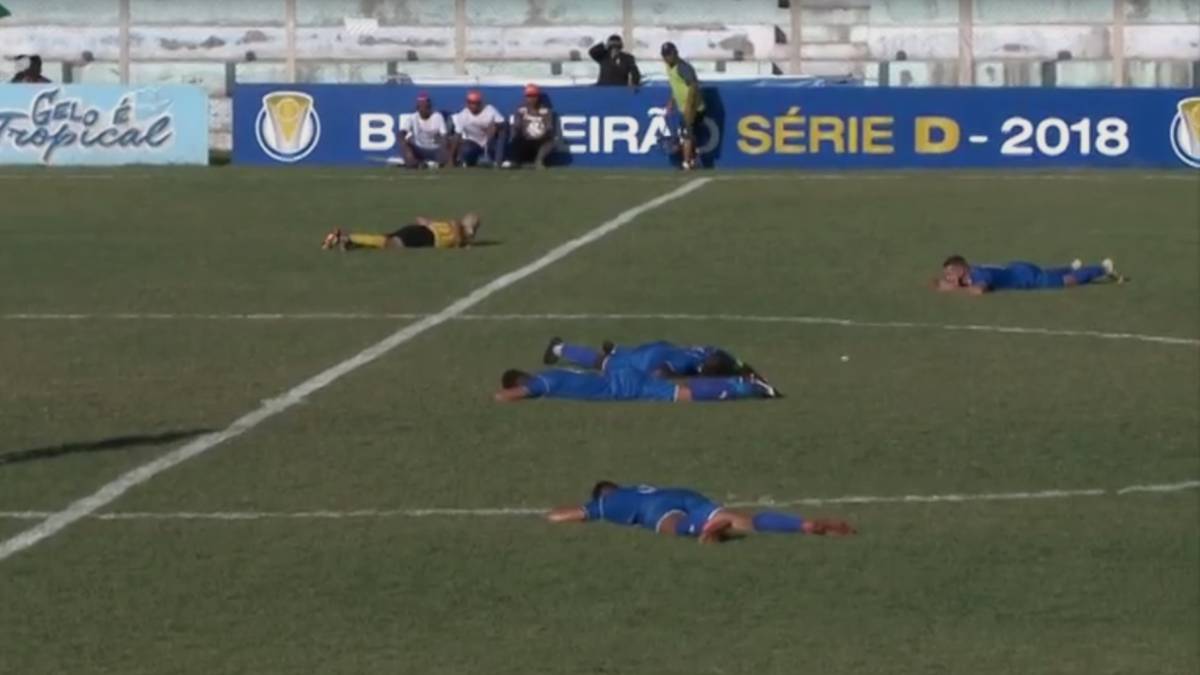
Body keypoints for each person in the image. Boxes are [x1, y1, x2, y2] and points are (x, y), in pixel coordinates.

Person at [547, 481, 856, 543]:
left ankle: (703, 530)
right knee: (744, 520)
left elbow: (561, 516)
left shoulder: (610, 501)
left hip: (657, 508)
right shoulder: (639, 486)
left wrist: (552, 515)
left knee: (673, 525)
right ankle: (800, 525)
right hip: (682, 493)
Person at [493, 367, 780, 403]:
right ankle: (740, 383)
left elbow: (502, 398)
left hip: (623, 387)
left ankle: (749, 386)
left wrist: (501, 394)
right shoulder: (551, 375)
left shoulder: (543, 382)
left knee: (683, 395)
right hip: (621, 376)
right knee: (681, 386)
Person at [542, 337, 753, 378]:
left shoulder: (708, 351)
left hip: (661, 347)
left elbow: (732, 362)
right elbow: (662, 371)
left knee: (631, 355)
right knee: (604, 365)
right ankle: (559, 348)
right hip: (653, 359)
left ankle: (617, 349)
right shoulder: (691, 363)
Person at [934, 255, 1127, 294]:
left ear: (961, 269)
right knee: (1047, 273)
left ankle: (1103, 269)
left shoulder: (979, 275)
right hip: (1018, 268)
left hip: (1026, 278)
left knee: (1066, 282)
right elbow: (933, 283)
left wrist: (953, 289)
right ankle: (1070, 265)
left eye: (950, 273)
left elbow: (979, 291)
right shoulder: (971, 271)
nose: (948, 277)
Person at [321, 213, 481, 251]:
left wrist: (428, 222)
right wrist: (465, 244)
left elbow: (422, 220)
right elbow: (460, 239)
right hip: (422, 236)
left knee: (384, 240)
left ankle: (346, 240)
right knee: (388, 243)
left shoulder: (448, 225)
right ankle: (346, 236)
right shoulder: (457, 230)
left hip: (420, 231)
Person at [660, 42, 705, 170]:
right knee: (688, 134)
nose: (667, 58)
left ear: (675, 53)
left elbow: (693, 85)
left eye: (669, 54)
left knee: (686, 134)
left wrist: (689, 106)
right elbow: (677, 87)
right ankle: (693, 160)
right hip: (683, 107)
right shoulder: (669, 68)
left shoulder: (682, 67)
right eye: (665, 55)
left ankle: (686, 162)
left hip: (693, 107)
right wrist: (671, 101)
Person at [449, 90, 507, 168]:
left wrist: (495, 127)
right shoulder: (463, 115)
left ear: (480, 103)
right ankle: (473, 161)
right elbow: (457, 135)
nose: (473, 105)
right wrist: (452, 159)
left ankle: (498, 162)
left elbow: (503, 124)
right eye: (470, 103)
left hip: (490, 142)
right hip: (474, 144)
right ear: (467, 103)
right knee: (466, 149)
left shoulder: (490, 110)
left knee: (502, 133)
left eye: (475, 103)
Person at [395, 92, 448, 169]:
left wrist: (443, 148)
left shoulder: (437, 117)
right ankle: (415, 163)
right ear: (418, 107)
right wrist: (403, 143)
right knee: (407, 144)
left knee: (447, 150)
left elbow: (444, 136)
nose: (424, 109)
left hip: (435, 149)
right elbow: (401, 133)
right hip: (419, 149)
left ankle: (429, 164)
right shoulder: (412, 118)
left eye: (426, 106)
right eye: (422, 106)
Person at [509, 84, 557, 169]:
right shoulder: (521, 109)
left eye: (534, 96)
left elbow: (549, 127)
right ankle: (515, 161)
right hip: (525, 139)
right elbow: (517, 125)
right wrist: (519, 131)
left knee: (551, 141)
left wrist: (542, 133)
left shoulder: (546, 110)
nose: (531, 99)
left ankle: (539, 161)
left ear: (538, 97)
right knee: (514, 137)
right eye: (529, 96)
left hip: (540, 140)